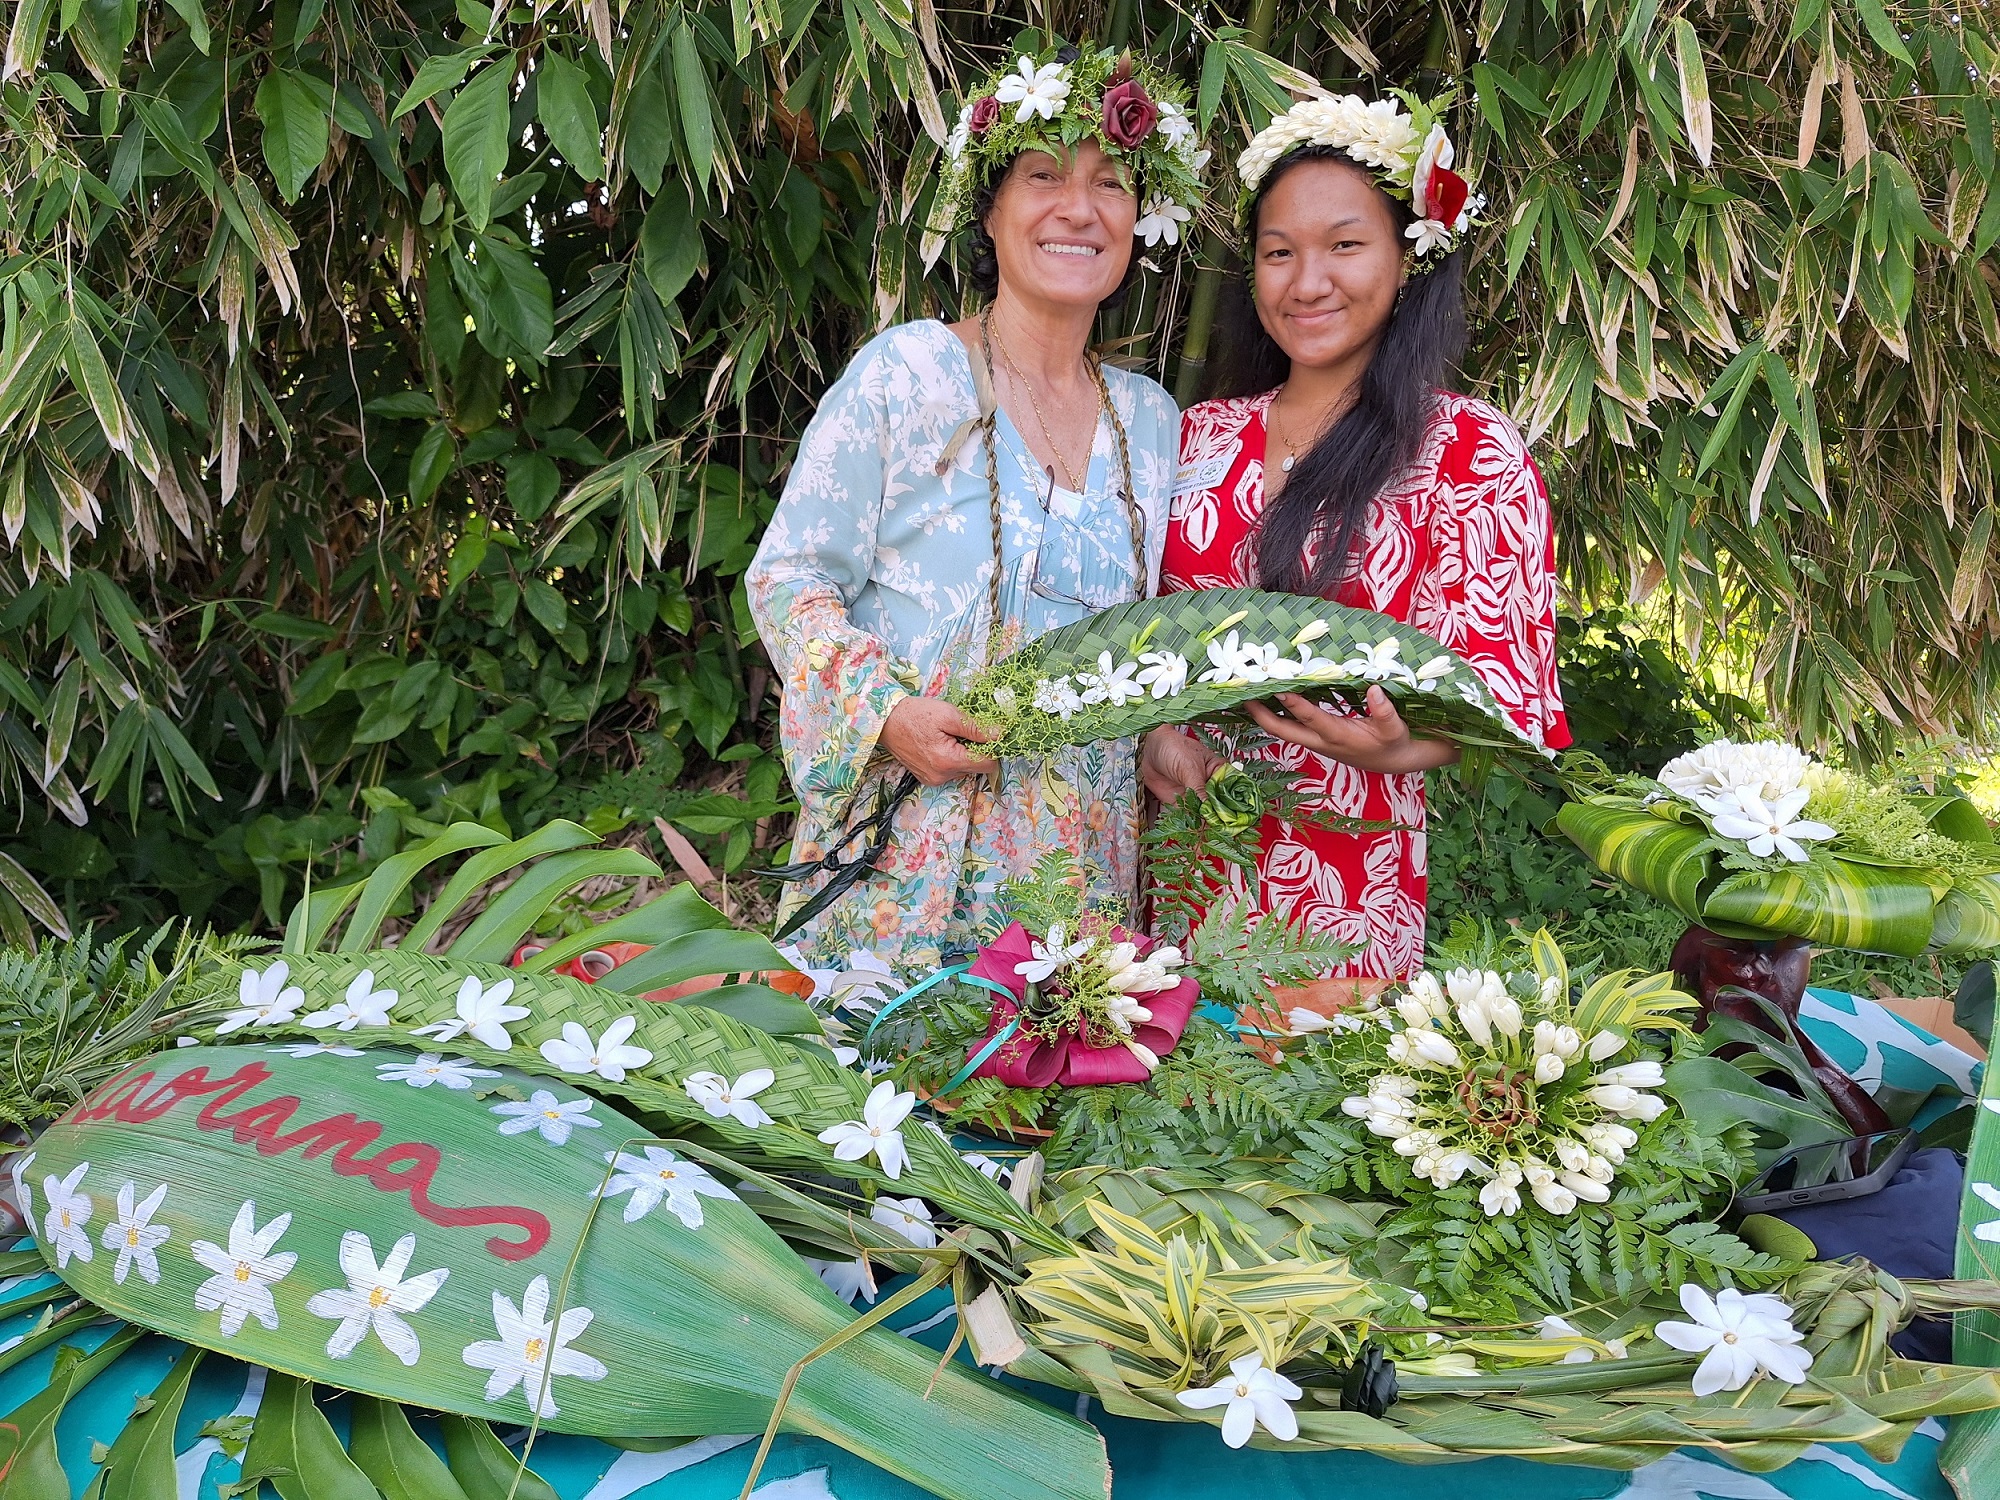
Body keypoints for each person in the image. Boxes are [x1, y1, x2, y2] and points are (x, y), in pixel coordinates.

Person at [748, 42, 1203, 971]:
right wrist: (886, 712)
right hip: (909, 855)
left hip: (1081, 887)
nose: (1079, 208)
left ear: (1140, 215)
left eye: (1110, 183)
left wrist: (1162, 732)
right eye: (1043, 177)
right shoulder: (907, 375)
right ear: (989, 211)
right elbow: (790, 576)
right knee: (866, 1101)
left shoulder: (1153, 424)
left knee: (1046, 1104)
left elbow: (1150, 641)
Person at [1141, 94, 1572, 979]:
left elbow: (1496, 688)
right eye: (1278, 253)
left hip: (1342, 870)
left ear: (1410, 258)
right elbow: (1120, 638)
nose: (1307, 282)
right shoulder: (1196, 434)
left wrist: (1402, 746)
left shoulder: (1463, 448)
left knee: (1304, 1103)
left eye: (1344, 245)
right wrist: (1146, 734)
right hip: (1164, 853)